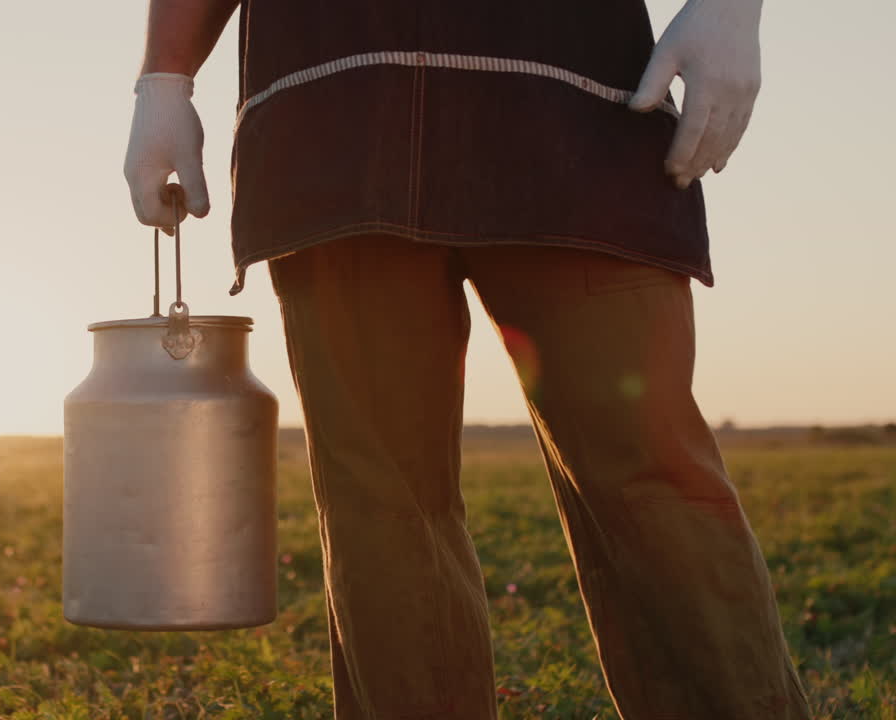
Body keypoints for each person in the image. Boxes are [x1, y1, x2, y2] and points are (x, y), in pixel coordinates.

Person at [123, 0, 811, 718]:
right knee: (382, 510)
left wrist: (732, 9)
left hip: (579, 106)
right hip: (334, 123)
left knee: (653, 470)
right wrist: (164, 78)